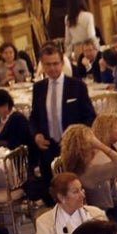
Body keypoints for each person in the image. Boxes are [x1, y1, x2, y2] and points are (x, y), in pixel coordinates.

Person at [30, 42, 98, 192]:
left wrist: (76, 138)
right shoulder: (38, 88)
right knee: (53, 192)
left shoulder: (76, 86)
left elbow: (90, 117)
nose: (52, 68)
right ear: (42, 65)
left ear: (62, 63)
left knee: (74, 191)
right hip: (47, 148)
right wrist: (36, 135)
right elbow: (34, 117)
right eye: (48, 64)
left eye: (55, 63)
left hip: (72, 149)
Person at [58, 123, 117, 211]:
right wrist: (100, 145)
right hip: (106, 212)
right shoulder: (91, 171)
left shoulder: (77, 167)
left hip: (103, 208)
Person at [35, 172, 106, 234]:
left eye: (81, 189)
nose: (82, 195)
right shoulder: (45, 224)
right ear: (61, 197)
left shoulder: (97, 214)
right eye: (75, 192)